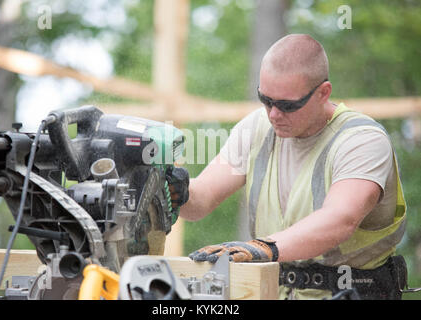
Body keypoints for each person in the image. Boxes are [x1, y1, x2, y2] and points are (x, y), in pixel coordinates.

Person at [168, 34, 407, 300]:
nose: (273, 114)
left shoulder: (362, 139)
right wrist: (171, 187)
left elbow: (340, 219)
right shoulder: (257, 127)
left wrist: (264, 248)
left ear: (322, 93)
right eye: (266, 100)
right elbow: (200, 201)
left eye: (287, 105)